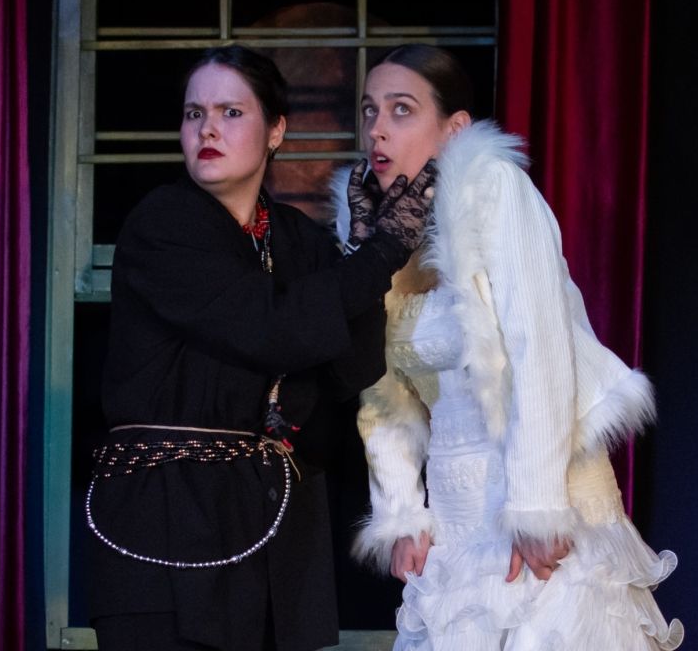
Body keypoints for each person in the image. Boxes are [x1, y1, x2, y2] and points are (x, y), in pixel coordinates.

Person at [86, 45, 437, 651]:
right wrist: (380, 253)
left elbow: (353, 368)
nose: (208, 129)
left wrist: (359, 255)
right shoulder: (163, 223)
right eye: (194, 114)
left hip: (272, 532)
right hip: (168, 523)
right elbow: (270, 327)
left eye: (230, 112)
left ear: (276, 131)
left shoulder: (298, 238)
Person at [337, 44, 684, 650]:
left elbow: (539, 346)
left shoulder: (493, 188)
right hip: (456, 511)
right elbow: (381, 388)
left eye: (401, 110)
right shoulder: (371, 229)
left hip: (540, 483)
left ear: (455, 127)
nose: (378, 130)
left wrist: (537, 504)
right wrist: (400, 510)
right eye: (370, 111)